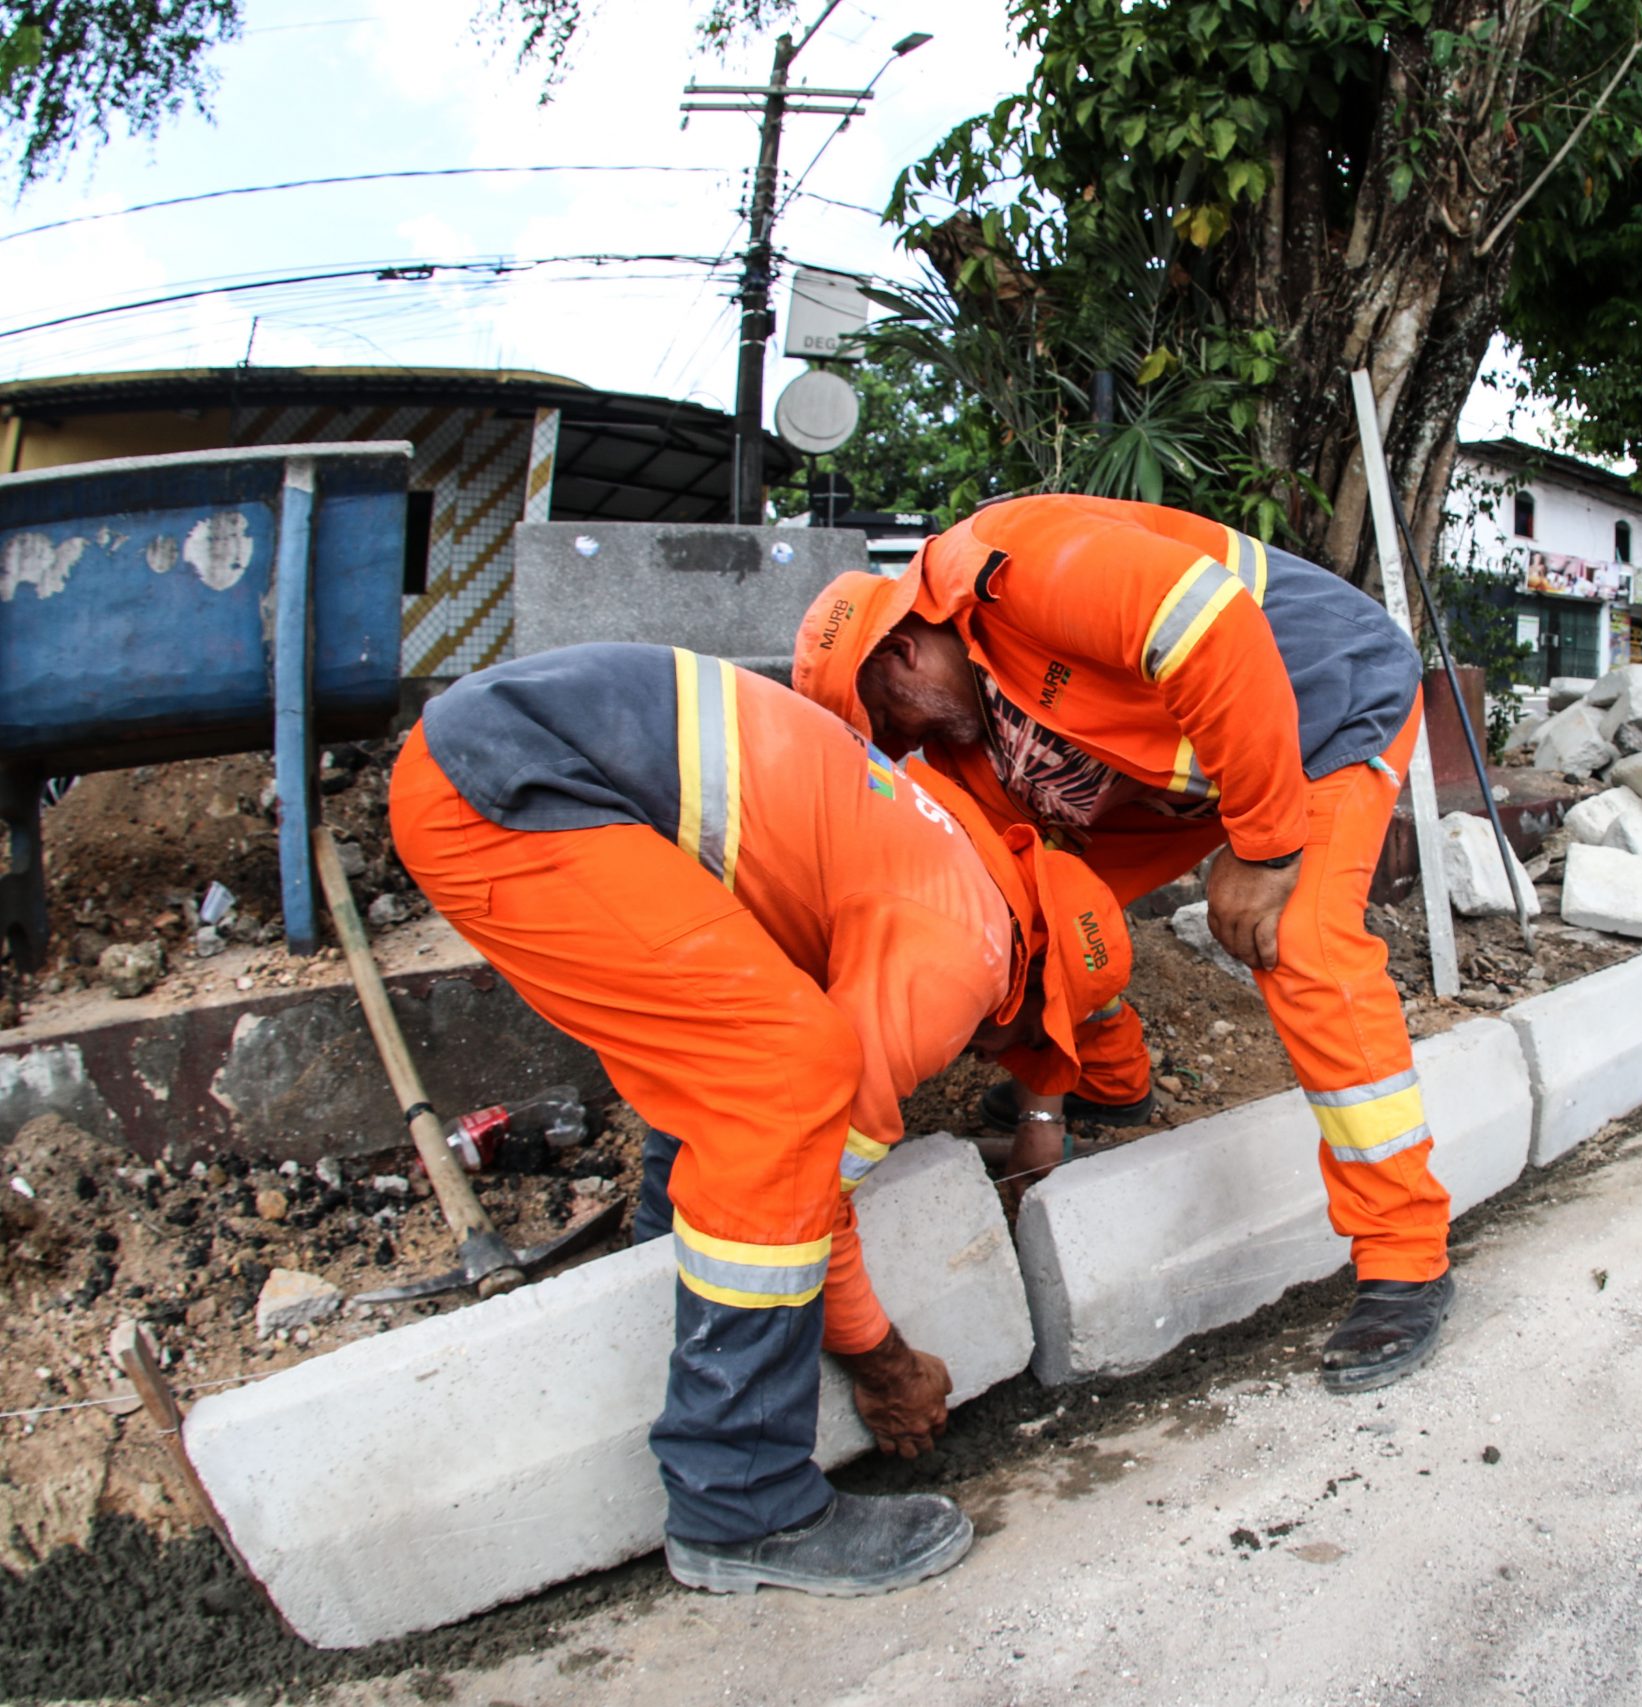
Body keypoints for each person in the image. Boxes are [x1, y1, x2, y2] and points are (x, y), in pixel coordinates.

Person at [389, 641, 1131, 1598]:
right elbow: (818, 1182)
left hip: (515, 751)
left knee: (744, 1035)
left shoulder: (940, 844)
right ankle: (742, 1499)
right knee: (785, 1076)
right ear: (1033, 998)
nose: (997, 1055)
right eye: (1032, 1043)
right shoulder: (969, 953)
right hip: (520, 783)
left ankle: (670, 1258)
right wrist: (885, 1359)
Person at [792, 494, 1456, 1394]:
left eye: (891, 720)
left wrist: (1264, 849)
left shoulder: (1019, 563)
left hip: (1324, 703)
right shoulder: (960, 741)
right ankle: (1111, 1082)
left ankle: (1404, 1252)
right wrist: (1040, 1118)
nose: (904, 746)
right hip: (1192, 771)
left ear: (903, 650)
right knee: (1020, 907)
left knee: (1300, 939)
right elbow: (1039, 908)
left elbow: (1214, 634)